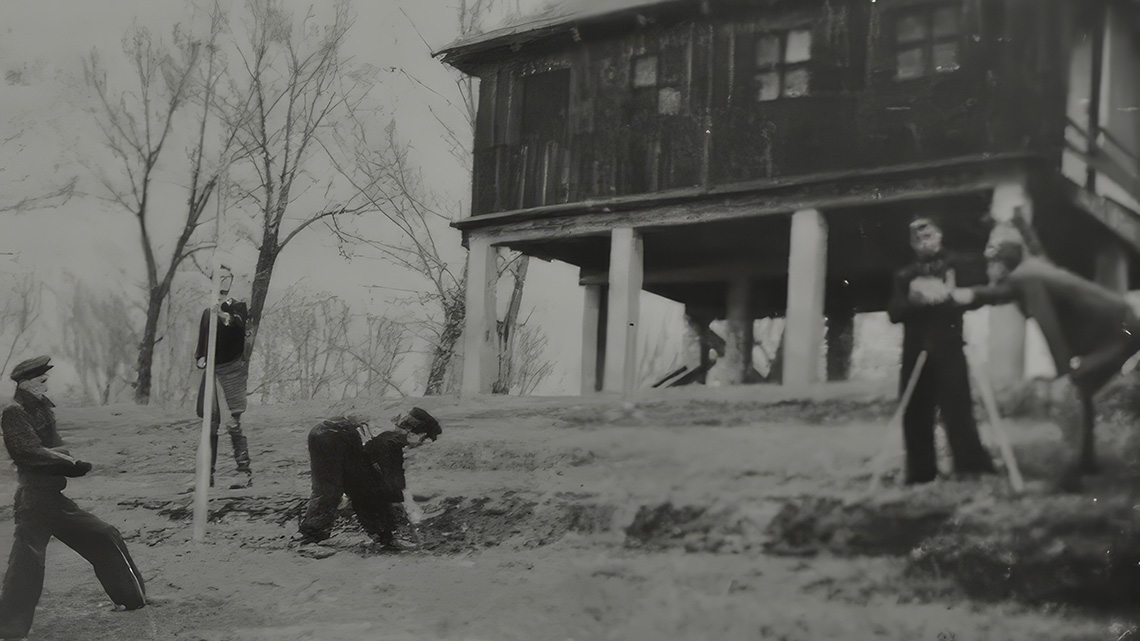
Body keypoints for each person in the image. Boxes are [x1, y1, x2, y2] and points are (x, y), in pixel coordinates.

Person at [951, 212, 1140, 491]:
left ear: (1002, 265)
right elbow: (1003, 291)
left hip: (1119, 334)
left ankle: (1070, 476)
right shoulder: (1034, 268)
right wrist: (970, 294)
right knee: (1082, 389)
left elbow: (1047, 323)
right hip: (1123, 326)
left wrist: (1064, 369)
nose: (989, 271)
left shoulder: (1028, 279)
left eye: (991, 265)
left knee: (1070, 393)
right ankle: (1086, 463)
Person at [0, 356, 147, 640]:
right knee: (27, 564)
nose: (45, 385)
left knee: (103, 535)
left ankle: (132, 599)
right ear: (25, 383)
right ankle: (9, 628)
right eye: (41, 380)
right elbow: (27, 452)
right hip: (33, 500)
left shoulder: (42, 408)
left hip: (53, 499)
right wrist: (67, 461)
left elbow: (54, 446)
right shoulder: (14, 413)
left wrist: (73, 460)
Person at [887, 215, 996, 485]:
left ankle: (971, 465)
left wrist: (953, 295)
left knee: (958, 405)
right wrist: (912, 300)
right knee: (915, 410)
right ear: (911, 244)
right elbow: (894, 312)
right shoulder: (905, 275)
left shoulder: (958, 264)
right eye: (917, 239)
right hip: (915, 348)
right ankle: (920, 472)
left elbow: (978, 296)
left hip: (949, 346)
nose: (923, 242)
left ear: (940, 235)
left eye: (928, 235)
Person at [295, 408, 442, 551]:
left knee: (359, 493)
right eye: (423, 439)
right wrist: (402, 511)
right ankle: (308, 541)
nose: (420, 444)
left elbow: (373, 489)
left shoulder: (389, 440)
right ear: (416, 433)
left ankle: (384, 539)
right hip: (332, 437)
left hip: (334, 435)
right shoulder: (390, 445)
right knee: (330, 490)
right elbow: (389, 489)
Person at [195, 296, 252, 488]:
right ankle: (207, 475)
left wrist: (227, 315)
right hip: (213, 368)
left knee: (233, 422)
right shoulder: (208, 312)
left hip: (233, 369)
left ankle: (243, 472)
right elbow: (203, 343)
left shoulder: (238, 306)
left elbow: (241, 329)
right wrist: (201, 356)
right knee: (210, 423)